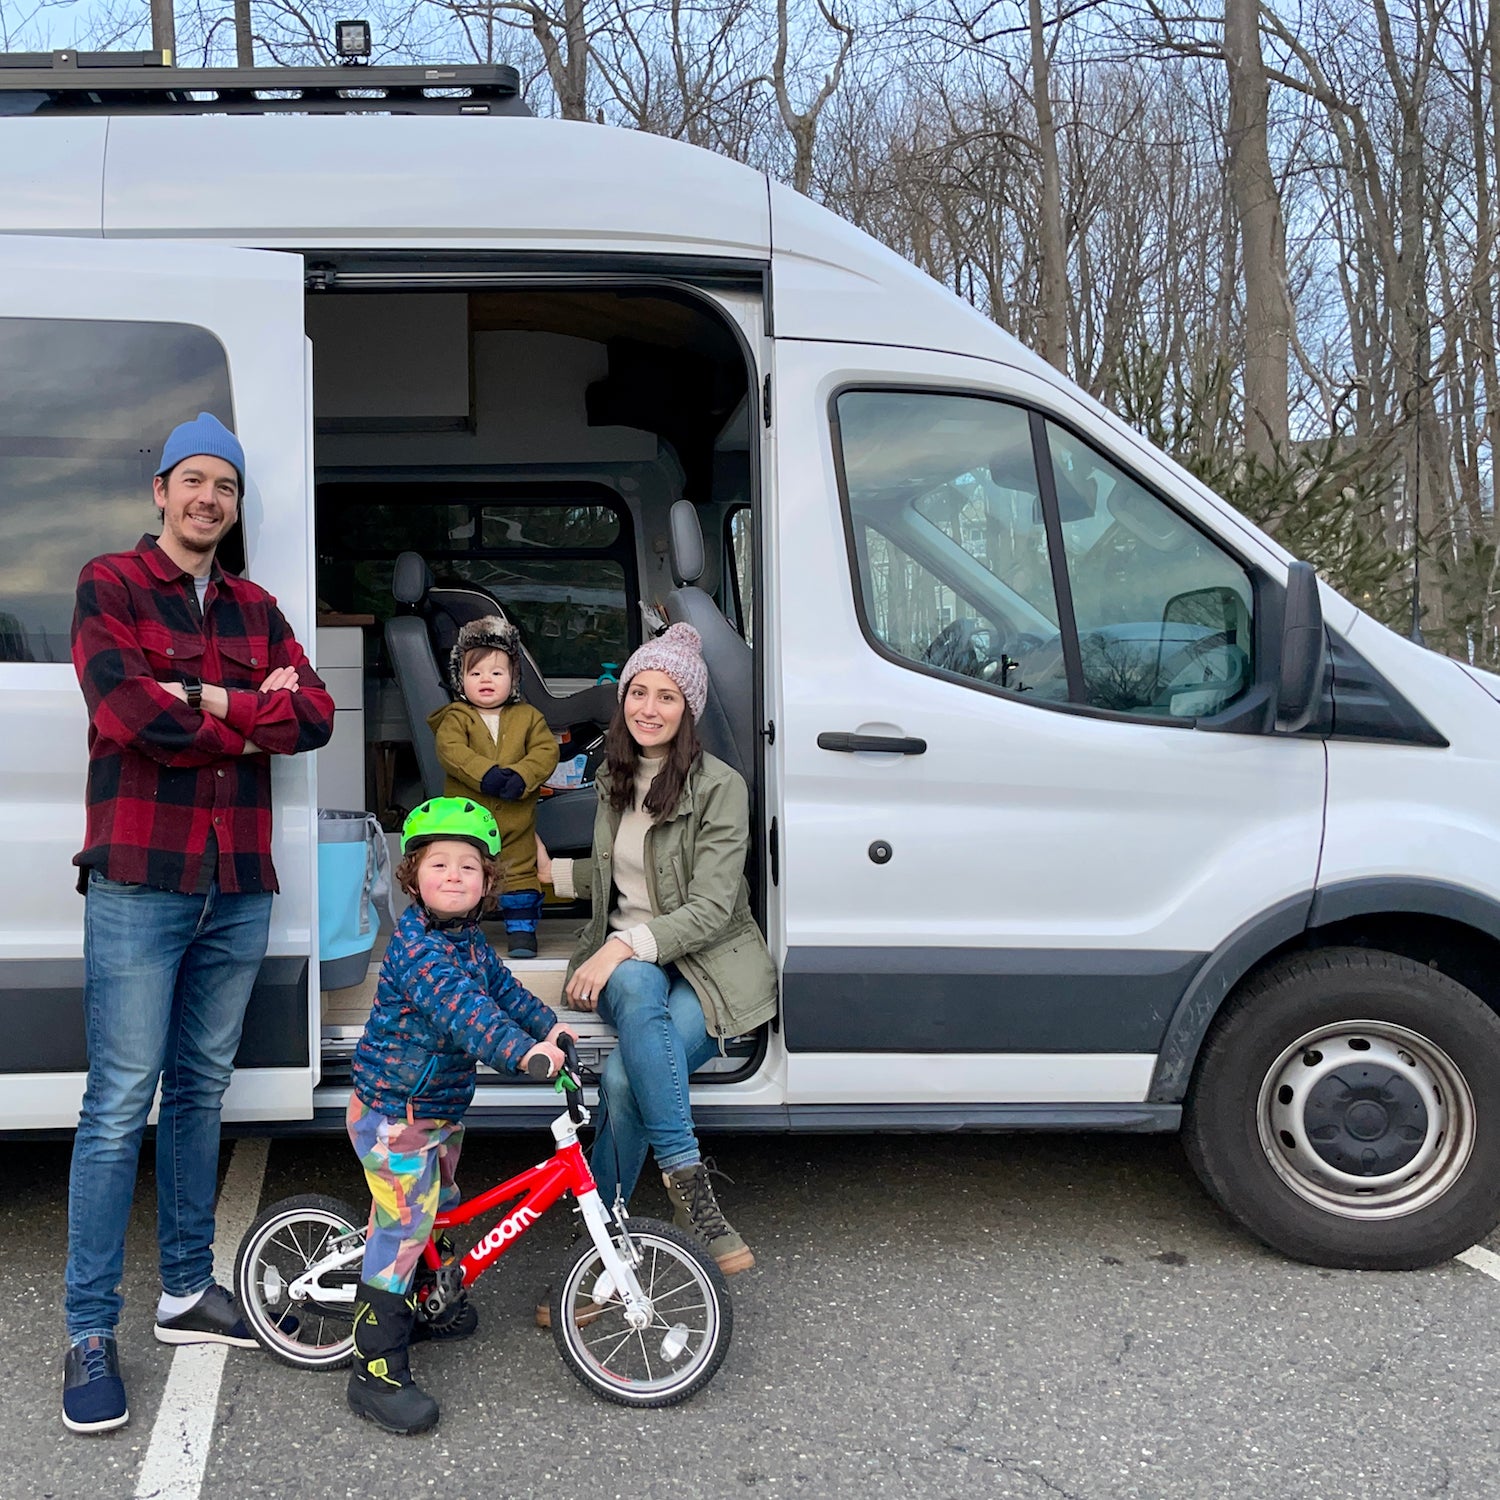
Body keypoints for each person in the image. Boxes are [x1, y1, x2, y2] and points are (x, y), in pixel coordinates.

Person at [63, 412, 335, 1435]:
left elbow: (311, 716)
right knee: (117, 1101)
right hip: (142, 876)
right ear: (161, 491)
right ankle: (90, 1331)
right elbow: (130, 714)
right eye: (194, 481)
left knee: (200, 1093)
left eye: (225, 486)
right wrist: (235, 708)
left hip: (237, 882)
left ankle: (185, 1292)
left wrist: (204, 692)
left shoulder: (260, 606)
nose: (208, 499)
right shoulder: (110, 584)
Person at [535, 621, 777, 1301]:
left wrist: (620, 943)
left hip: (710, 960)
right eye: (638, 692)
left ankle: (600, 1270)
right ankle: (688, 1182)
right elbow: (622, 876)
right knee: (637, 983)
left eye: (666, 696)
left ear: (688, 710)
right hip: (638, 971)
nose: (648, 708)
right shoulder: (612, 775)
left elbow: (707, 907)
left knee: (619, 1083)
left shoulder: (721, 786)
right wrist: (555, 878)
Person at [346, 796, 576, 1436]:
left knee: (442, 1205)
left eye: (469, 866)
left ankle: (429, 1300)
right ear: (413, 874)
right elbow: (465, 1015)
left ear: (487, 882)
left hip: (438, 1111)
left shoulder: (467, 940)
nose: (454, 875)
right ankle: (375, 1372)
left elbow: (500, 992)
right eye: (439, 863)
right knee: (402, 1231)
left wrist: (549, 1024)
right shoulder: (418, 950)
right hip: (394, 1115)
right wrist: (520, 1053)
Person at [428, 616, 559, 957]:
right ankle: (459, 930)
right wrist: (485, 774)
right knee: (465, 873)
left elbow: (546, 751)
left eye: (497, 673)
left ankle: (522, 933)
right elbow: (451, 752)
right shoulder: (456, 717)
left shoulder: (528, 717)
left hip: (517, 821)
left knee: (519, 876)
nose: (486, 679)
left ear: (513, 679)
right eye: (475, 673)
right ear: (461, 679)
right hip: (468, 825)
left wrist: (522, 775)